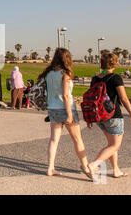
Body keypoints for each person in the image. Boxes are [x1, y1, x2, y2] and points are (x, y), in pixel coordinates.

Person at [38, 48, 91, 177]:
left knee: (54, 140)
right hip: (65, 108)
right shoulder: (65, 74)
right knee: (77, 139)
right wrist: (70, 114)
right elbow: (66, 95)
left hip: (53, 108)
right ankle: (86, 166)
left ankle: (50, 168)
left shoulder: (49, 73)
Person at [87, 52, 131, 179]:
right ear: (115, 63)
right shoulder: (115, 78)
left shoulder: (95, 78)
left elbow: (92, 99)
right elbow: (124, 98)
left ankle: (116, 170)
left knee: (111, 144)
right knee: (115, 145)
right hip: (113, 116)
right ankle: (94, 164)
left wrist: (89, 118)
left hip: (99, 116)